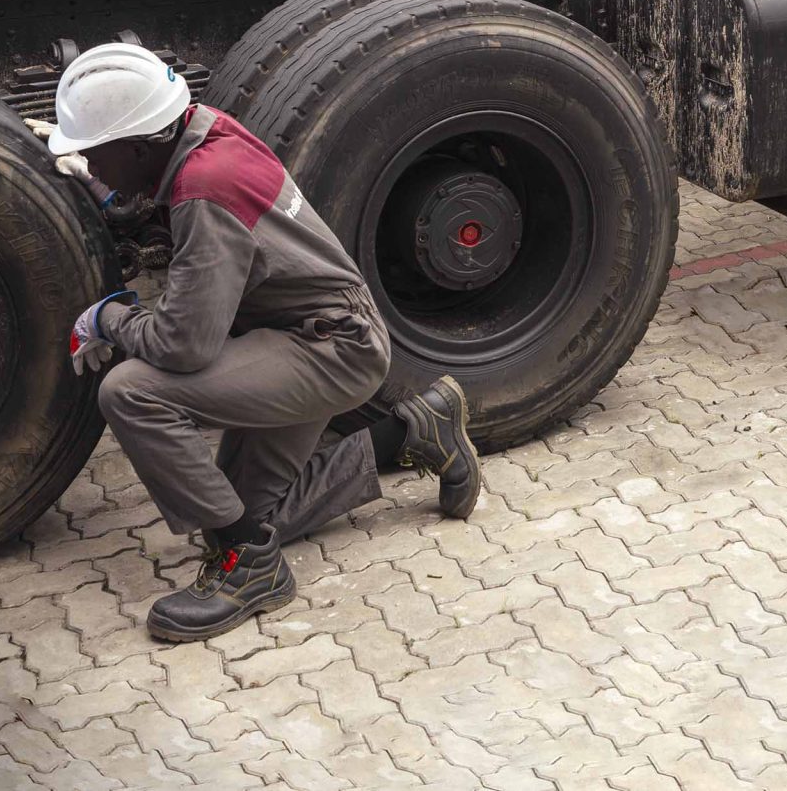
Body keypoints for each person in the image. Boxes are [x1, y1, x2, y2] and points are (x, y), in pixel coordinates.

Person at [44, 45, 480, 642]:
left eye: (95, 153)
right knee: (245, 511)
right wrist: (103, 194)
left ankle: (250, 567)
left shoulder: (206, 188)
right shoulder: (204, 131)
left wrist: (111, 319)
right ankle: (411, 433)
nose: (90, 162)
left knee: (132, 391)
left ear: (141, 145)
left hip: (324, 350)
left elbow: (182, 345)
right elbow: (159, 202)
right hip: (310, 338)